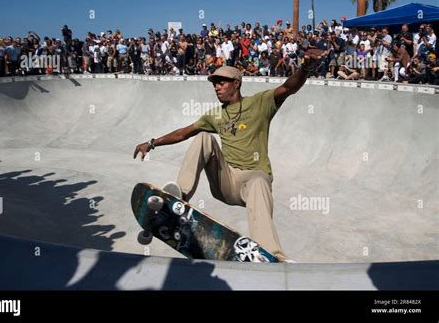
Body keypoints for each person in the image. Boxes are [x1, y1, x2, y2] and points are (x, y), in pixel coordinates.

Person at [133, 54, 321, 262]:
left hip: (253, 182)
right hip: (227, 180)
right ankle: (180, 197)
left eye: (221, 83)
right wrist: (152, 143)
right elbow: (183, 133)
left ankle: (269, 256)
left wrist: (305, 68)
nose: (217, 88)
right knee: (203, 137)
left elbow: (288, 88)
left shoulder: (260, 103)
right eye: (214, 85)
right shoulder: (215, 115)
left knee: (259, 180)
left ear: (236, 84)